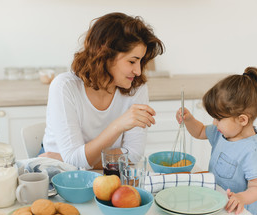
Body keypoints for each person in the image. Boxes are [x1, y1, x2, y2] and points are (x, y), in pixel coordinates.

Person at [39, 12, 164, 169]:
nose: (138, 71)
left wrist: (66, 160)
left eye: (140, 61)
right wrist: (117, 126)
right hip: (58, 174)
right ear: (104, 53)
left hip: (73, 166)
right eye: (132, 61)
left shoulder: (136, 87)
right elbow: (73, 161)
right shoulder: (65, 86)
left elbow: (133, 155)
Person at [176, 67, 257, 215]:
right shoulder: (222, 133)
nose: (214, 122)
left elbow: (256, 188)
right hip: (219, 208)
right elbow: (200, 131)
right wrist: (188, 120)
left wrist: (241, 197)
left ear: (242, 119)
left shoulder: (252, 151)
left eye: (219, 118)